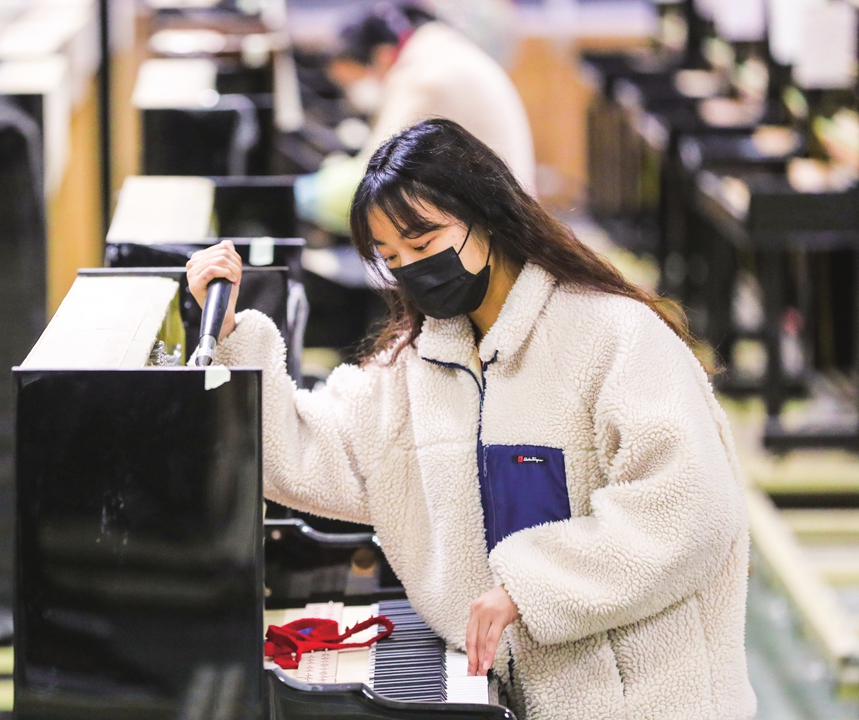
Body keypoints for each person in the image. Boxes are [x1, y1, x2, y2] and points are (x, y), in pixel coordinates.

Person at [186, 119, 754, 720]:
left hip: (651, 702)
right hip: (517, 699)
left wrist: (527, 586)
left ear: (485, 216)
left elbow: (689, 507)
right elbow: (304, 452)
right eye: (391, 257)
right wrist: (228, 335)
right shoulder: (420, 369)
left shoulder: (613, 336)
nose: (410, 268)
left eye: (424, 244)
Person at [296, 2, 535, 235]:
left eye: (356, 81)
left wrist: (302, 194)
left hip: (495, 230)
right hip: (499, 215)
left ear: (382, 56)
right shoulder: (438, 50)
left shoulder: (424, 77)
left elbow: (369, 184)